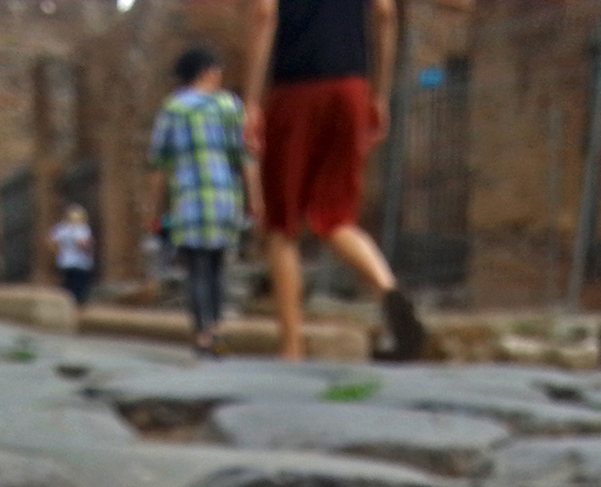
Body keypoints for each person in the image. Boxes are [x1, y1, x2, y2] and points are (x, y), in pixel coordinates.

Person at [244, 0, 429, 362]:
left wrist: (251, 100)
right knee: (336, 217)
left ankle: (292, 346)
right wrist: (380, 93)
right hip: (350, 86)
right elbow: (386, 13)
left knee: (284, 226)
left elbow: (263, 13)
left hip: (295, 88)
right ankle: (390, 294)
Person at [146, 46, 257, 358]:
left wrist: (152, 209)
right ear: (207, 71)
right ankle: (218, 328)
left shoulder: (173, 109)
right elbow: (244, 157)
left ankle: (202, 334)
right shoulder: (229, 106)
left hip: (189, 199)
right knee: (219, 266)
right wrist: (255, 200)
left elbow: (160, 164)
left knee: (196, 268)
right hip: (224, 197)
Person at [48, 205, 96, 306]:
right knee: (79, 285)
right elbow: (81, 243)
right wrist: (90, 248)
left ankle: (68, 303)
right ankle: (78, 305)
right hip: (80, 262)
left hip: (64, 261)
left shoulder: (61, 228)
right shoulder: (81, 228)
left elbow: (51, 242)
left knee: (68, 283)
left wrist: (58, 253)